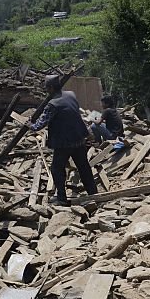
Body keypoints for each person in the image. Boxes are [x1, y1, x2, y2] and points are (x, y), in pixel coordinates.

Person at [27, 75, 98, 206]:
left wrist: (30, 125)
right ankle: (93, 193)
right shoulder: (71, 95)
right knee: (84, 167)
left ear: (51, 88)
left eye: (47, 88)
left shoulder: (52, 104)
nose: (46, 90)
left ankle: (62, 198)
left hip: (64, 142)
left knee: (56, 169)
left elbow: (40, 125)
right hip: (79, 138)